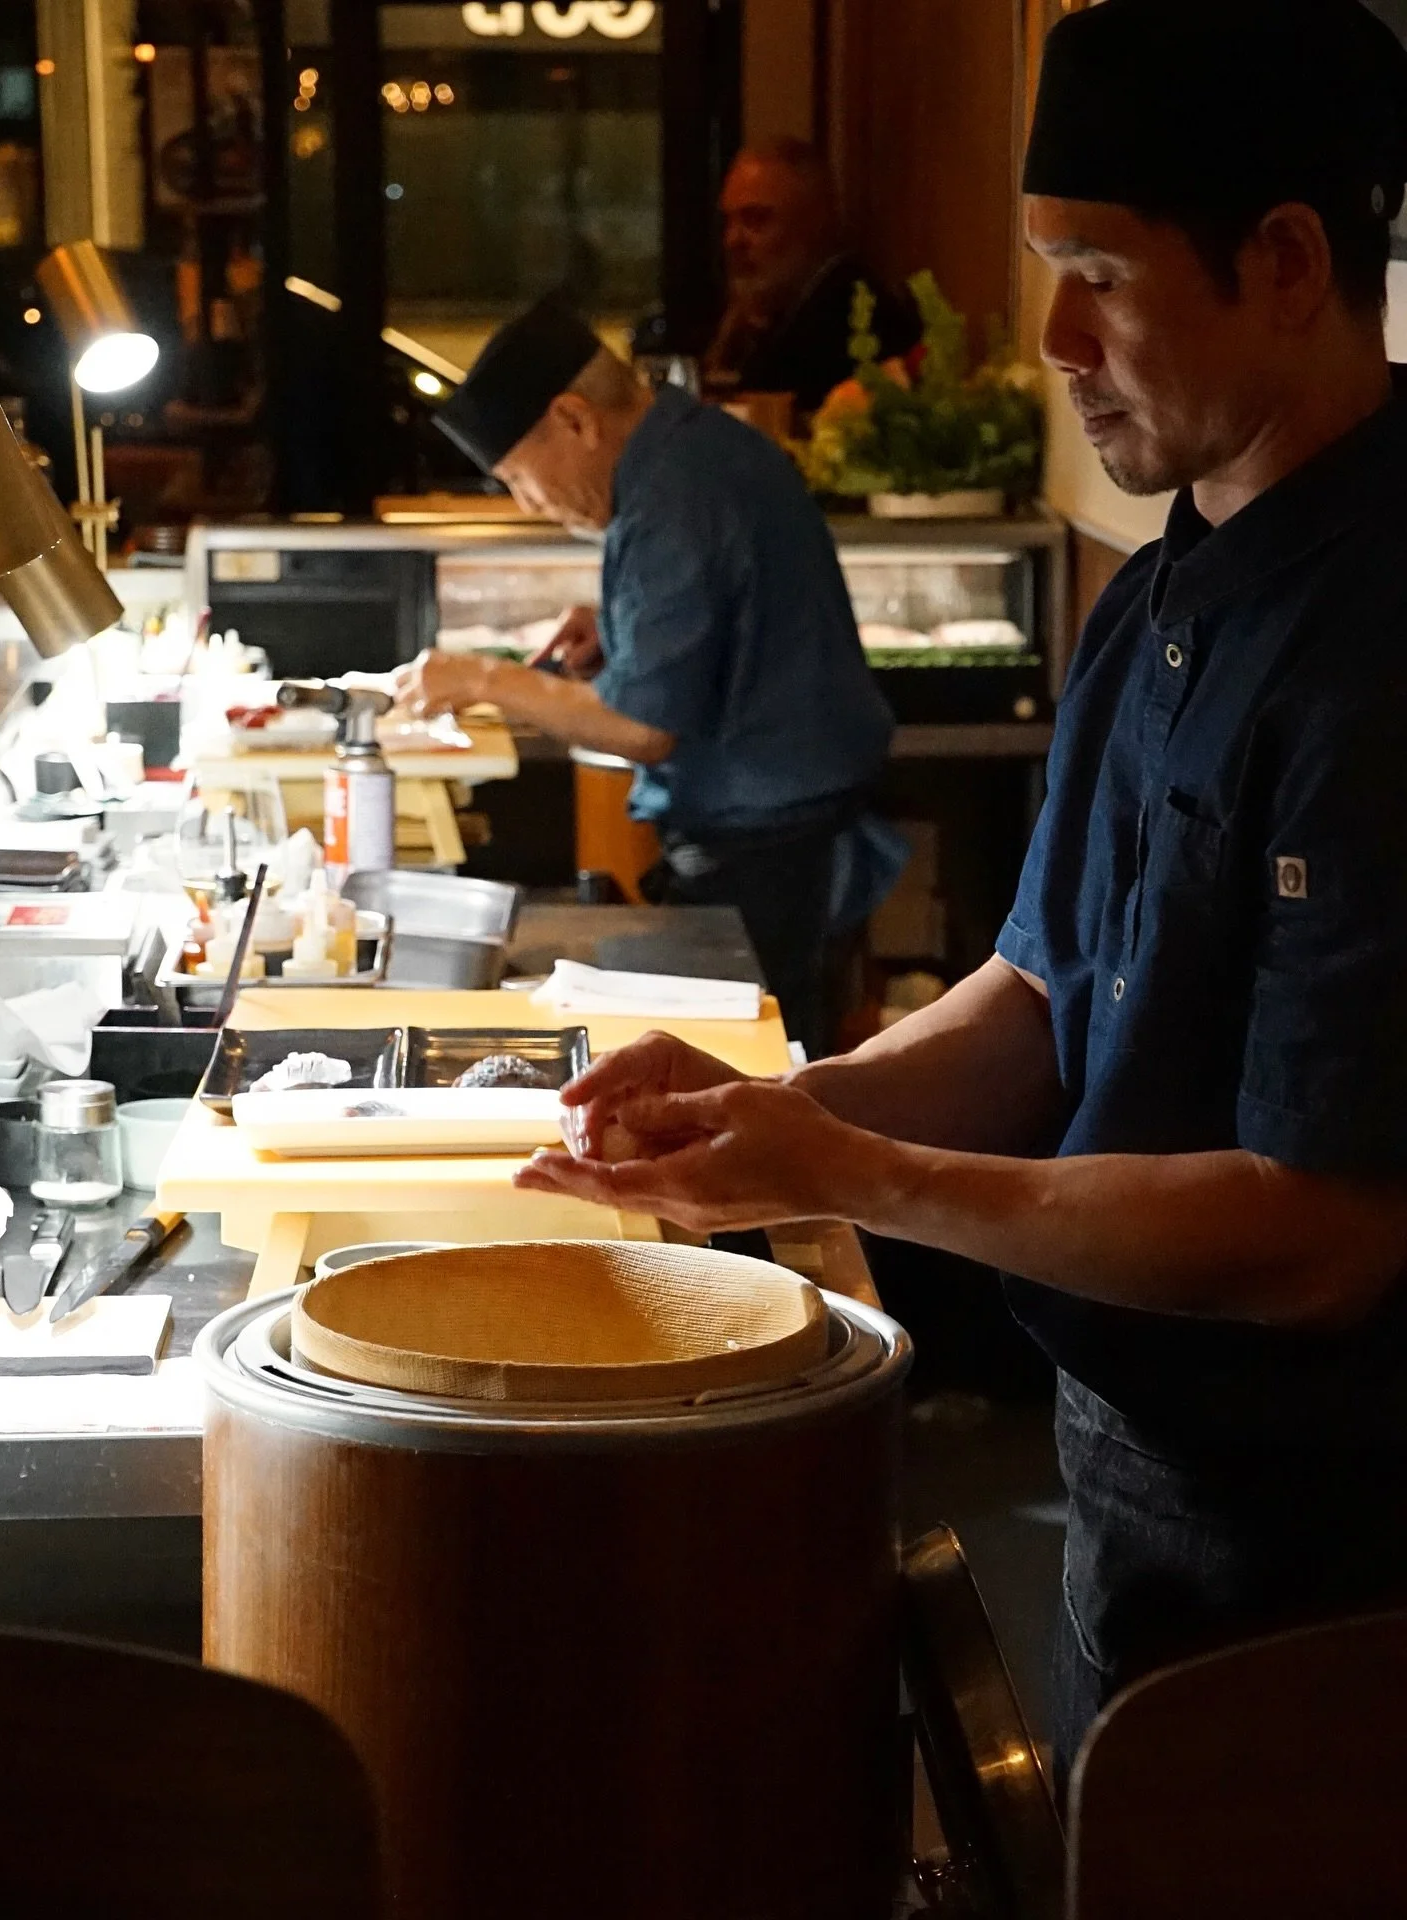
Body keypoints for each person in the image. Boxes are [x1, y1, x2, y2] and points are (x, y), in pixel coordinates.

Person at [516, 0, 1407, 1789]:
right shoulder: (1170, 582)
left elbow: (1325, 1236)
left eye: (1099, 273)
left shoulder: (1378, 642)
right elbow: (1038, 993)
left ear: (1291, 262)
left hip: (1327, 1549)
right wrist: (773, 1107)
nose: (1057, 338)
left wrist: (857, 1174)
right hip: (1124, 1458)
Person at [394, 296, 897, 1056]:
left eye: (521, 480)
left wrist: (483, 679)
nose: (532, 505)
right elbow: (721, 624)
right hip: (775, 825)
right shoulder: (687, 451)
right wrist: (616, 634)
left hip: (775, 846)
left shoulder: (675, 494)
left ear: (574, 419)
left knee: (765, 1075)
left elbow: (643, 729)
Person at [702, 140, 921, 417]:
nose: (733, 240)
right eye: (729, 222)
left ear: (814, 222)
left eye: (756, 220)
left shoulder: (845, 320)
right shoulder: (773, 318)